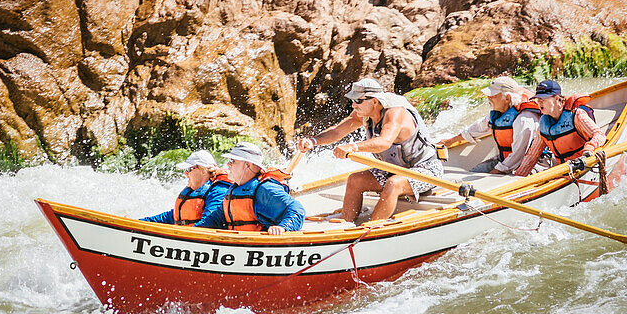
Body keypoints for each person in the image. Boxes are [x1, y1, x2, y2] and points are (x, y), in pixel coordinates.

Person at [298, 78, 443, 223]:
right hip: (394, 169)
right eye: (352, 101)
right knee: (355, 180)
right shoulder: (364, 113)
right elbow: (337, 132)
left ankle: (370, 230)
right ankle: (345, 225)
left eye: (358, 101)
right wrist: (313, 141)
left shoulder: (395, 112)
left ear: (374, 101)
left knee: (393, 184)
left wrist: (353, 147)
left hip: (425, 170)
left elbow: (384, 142)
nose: (354, 105)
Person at [436, 76, 542, 174]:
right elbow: (477, 128)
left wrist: (494, 174)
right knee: (472, 173)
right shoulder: (500, 112)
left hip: (529, 165)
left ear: (507, 98)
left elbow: (518, 156)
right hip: (504, 160)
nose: (488, 98)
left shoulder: (524, 120)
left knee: (482, 181)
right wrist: (449, 141)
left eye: (493, 95)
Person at [197, 142, 305, 234]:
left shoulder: (265, 189)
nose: (228, 164)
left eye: (233, 161)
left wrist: (283, 227)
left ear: (248, 165)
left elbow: (297, 210)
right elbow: (214, 220)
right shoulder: (233, 190)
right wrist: (193, 232)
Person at [516, 79, 605, 173]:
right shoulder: (543, 125)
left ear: (558, 99)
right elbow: (532, 156)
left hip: (583, 165)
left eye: (543, 99)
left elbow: (599, 134)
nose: (539, 103)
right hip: (565, 169)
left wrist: (589, 148)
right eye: (538, 100)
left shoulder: (576, 115)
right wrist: (519, 177)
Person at [141, 150, 231, 225]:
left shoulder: (219, 191)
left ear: (203, 171)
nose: (185, 173)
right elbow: (172, 216)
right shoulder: (195, 191)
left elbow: (208, 223)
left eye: (189, 169)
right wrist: (139, 223)